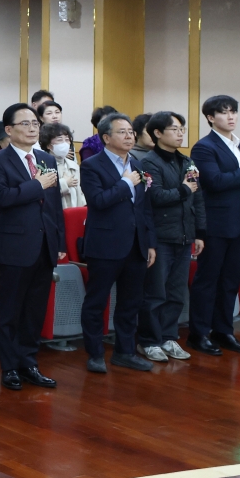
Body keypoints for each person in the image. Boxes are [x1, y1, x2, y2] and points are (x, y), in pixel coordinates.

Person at [0, 103, 64, 391]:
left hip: (45, 244)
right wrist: (37, 185)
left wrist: (59, 241)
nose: (32, 129)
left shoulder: (46, 158)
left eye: (35, 124)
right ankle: (9, 368)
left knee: (35, 310)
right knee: (11, 310)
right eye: (25, 124)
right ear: (9, 129)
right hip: (15, 245)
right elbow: (2, 198)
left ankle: (29, 363)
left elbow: (54, 205)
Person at [78, 112, 158, 374]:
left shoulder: (136, 164)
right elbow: (98, 201)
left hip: (136, 244)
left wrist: (150, 243)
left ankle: (125, 352)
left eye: (131, 132)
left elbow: (144, 209)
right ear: (106, 137)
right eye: (122, 132)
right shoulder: (92, 166)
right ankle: (95, 354)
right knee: (96, 302)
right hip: (105, 244)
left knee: (131, 302)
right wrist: (125, 183)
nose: (129, 136)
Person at [189, 94, 240, 356]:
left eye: (233, 111)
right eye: (224, 112)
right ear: (211, 118)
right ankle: (199, 333)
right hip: (215, 224)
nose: (231, 116)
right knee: (208, 280)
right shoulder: (204, 147)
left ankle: (223, 331)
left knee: (231, 280)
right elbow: (214, 182)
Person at [137, 112, 204, 362]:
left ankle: (168, 337)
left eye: (182, 129)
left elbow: (198, 199)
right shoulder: (149, 162)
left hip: (184, 235)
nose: (180, 134)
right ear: (157, 133)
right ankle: (148, 340)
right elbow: (155, 197)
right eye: (174, 129)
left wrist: (199, 233)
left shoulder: (186, 161)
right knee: (155, 293)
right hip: (161, 237)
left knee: (176, 293)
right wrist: (184, 189)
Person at [40, 122, 84, 207]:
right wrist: (64, 183)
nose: (65, 143)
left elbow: (80, 192)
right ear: (49, 145)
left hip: (74, 210)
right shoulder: (43, 165)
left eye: (67, 140)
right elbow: (45, 192)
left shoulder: (73, 165)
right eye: (59, 140)